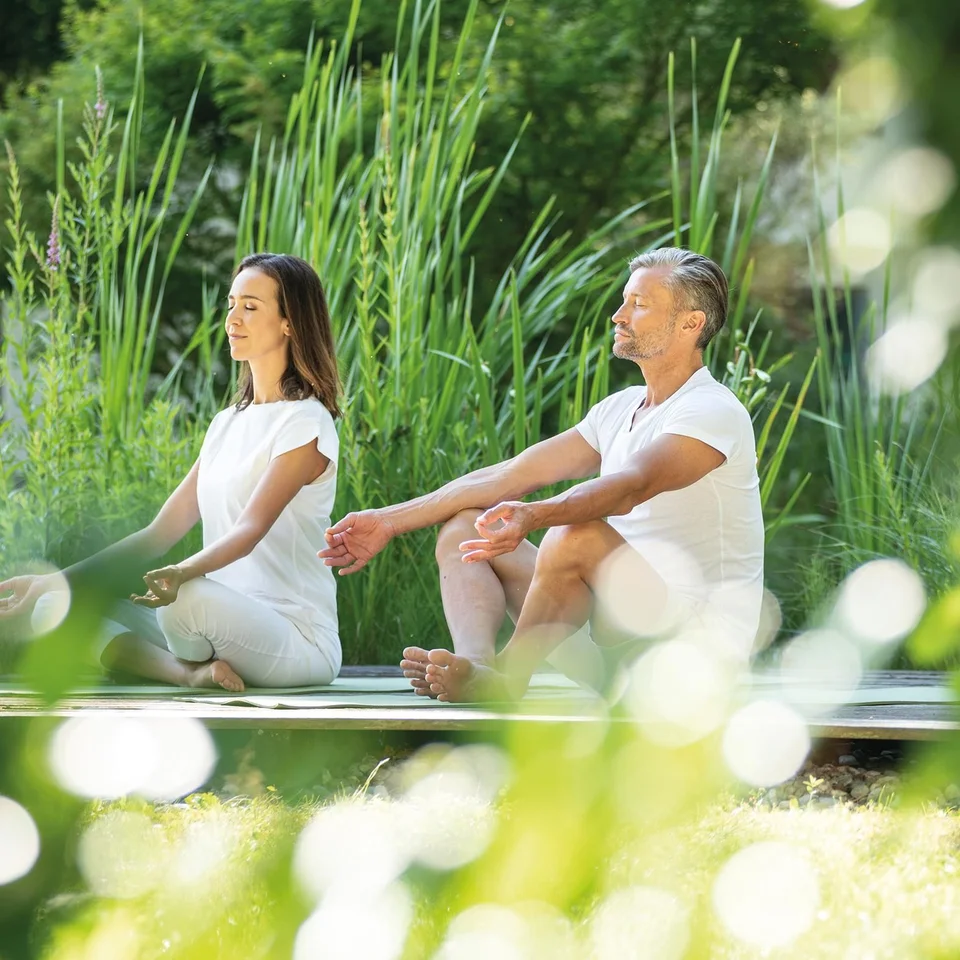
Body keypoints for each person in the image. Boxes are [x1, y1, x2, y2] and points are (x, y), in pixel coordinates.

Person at [319, 247, 765, 702]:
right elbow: (509, 474)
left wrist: (534, 515)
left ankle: (509, 681)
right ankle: (477, 667)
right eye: (624, 300)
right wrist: (389, 520)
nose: (618, 315)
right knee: (467, 527)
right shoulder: (618, 410)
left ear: (691, 324)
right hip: (616, 656)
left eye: (639, 304)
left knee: (576, 534)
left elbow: (630, 487)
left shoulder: (711, 411)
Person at [0, 253, 342, 692]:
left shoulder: (305, 422)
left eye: (250, 307)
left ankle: (192, 651)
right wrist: (54, 580)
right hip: (213, 631)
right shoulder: (226, 424)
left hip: (294, 639)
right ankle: (188, 674)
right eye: (231, 304)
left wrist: (181, 574)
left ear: (289, 323)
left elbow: (249, 530)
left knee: (187, 600)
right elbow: (159, 532)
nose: (233, 318)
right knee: (55, 606)